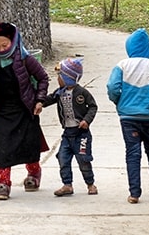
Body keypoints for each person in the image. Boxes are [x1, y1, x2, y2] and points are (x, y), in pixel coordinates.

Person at [0, 20, 49, 200]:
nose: (0, 49)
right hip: (0, 111)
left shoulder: (25, 59)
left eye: (4, 45)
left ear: (13, 41)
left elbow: (43, 78)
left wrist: (39, 100)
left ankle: (33, 174)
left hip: (25, 108)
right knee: (1, 149)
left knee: (29, 146)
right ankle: (3, 183)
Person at [106, 27, 149, 204]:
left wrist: (118, 102)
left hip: (128, 119)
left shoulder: (122, 66)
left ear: (130, 48)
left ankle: (134, 193)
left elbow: (112, 88)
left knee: (133, 154)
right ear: (146, 48)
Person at [43, 57, 98, 197]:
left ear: (69, 77)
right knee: (62, 158)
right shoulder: (59, 92)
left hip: (81, 133)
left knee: (83, 159)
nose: (58, 79)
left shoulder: (82, 93)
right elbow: (49, 100)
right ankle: (67, 184)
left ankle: (90, 184)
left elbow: (92, 106)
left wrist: (86, 120)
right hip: (67, 133)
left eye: (60, 76)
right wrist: (38, 102)